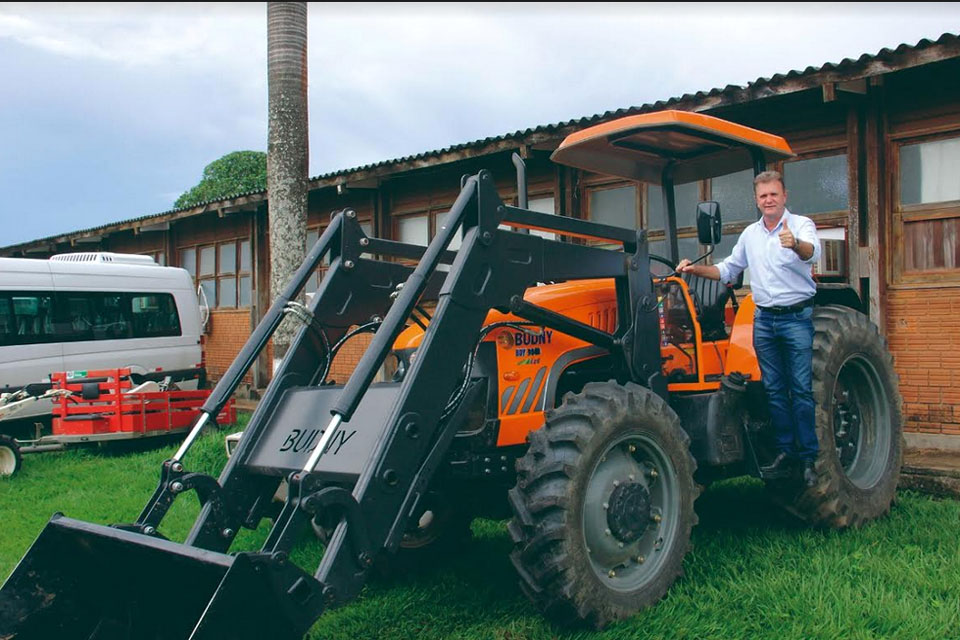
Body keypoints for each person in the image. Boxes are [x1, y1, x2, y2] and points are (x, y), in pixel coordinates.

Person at [676, 170, 821, 487]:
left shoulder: (800, 226)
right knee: (774, 390)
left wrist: (795, 245)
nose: (768, 200)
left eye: (774, 194)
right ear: (757, 200)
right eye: (763, 196)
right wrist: (692, 269)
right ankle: (785, 451)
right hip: (765, 320)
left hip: (795, 318)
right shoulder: (750, 235)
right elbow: (728, 269)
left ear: (784, 196)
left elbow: (814, 252)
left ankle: (809, 458)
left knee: (800, 389)